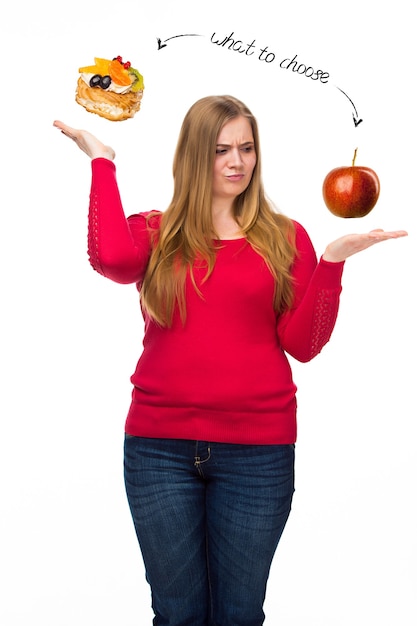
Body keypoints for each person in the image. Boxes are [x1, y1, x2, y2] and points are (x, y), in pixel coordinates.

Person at [53, 95, 407, 626]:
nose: (238, 162)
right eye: (222, 150)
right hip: (159, 450)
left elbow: (303, 344)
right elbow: (110, 260)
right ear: (196, 156)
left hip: (257, 455)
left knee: (239, 616)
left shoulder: (286, 238)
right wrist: (101, 160)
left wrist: (331, 263)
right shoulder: (156, 230)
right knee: (178, 615)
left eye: (246, 148)